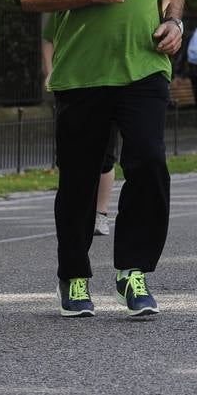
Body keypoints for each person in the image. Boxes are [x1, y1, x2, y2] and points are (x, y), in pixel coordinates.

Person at [19, 0, 186, 317]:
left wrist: (173, 19)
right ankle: (74, 277)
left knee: (150, 164)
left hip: (144, 67)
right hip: (83, 73)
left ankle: (133, 272)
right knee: (79, 179)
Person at [41, 14, 118, 234]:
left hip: (111, 82)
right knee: (73, 157)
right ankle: (77, 216)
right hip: (74, 84)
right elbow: (48, 39)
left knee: (106, 156)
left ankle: (100, 214)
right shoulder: (67, 6)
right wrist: (50, 72)